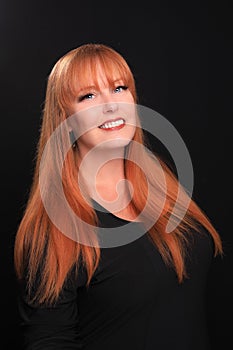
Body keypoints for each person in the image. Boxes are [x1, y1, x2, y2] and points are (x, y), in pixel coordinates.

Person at [14, 43, 223, 350]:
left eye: (119, 88)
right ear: (65, 120)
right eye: (88, 95)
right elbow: (49, 341)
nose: (110, 105)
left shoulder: (163, 186)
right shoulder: (53, 230)